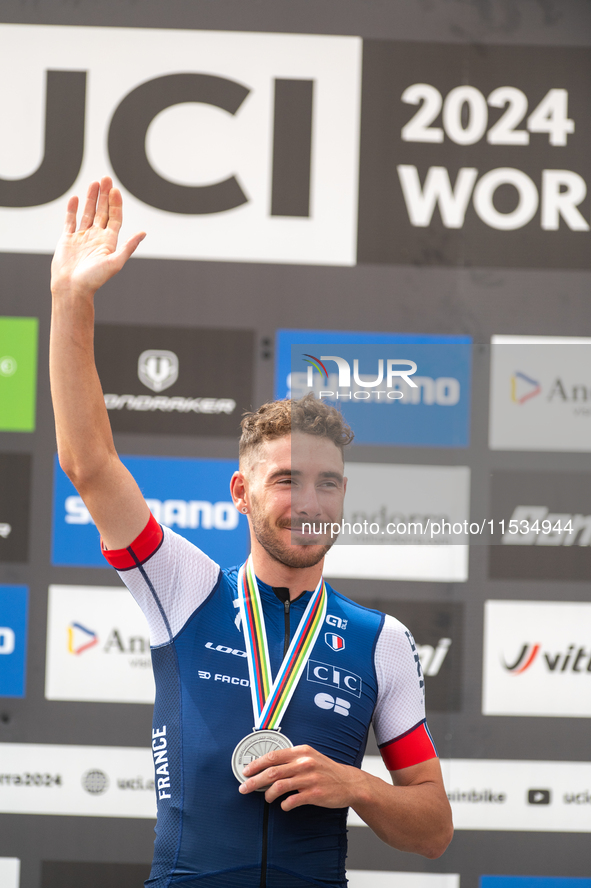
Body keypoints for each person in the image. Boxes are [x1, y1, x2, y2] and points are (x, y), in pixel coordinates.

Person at [50, 177, 453, 888]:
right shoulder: (185, 588)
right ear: (240, 493)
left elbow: (432, 831)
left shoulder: (379, 640)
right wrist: (71, 299)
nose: (309, 501)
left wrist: (357, 786)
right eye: (286, 480)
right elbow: (89, 465)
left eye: (327, 483)